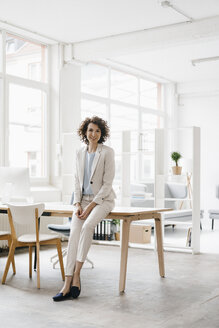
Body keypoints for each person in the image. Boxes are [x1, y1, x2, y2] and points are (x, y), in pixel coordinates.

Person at [53, 116, 116, 301]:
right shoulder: (80, 152)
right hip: (82, 202)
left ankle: (77, 275)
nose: (93, 134)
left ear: (102, 133)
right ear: (85, 132)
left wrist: (89, 208)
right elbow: (76, 181)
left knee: (88, 227)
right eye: (90, 130)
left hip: (102, 200)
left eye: (97, 130)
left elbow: (107, 184)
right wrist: (78, 204)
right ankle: (66, 283)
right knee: (73, 235)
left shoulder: (107, 152)